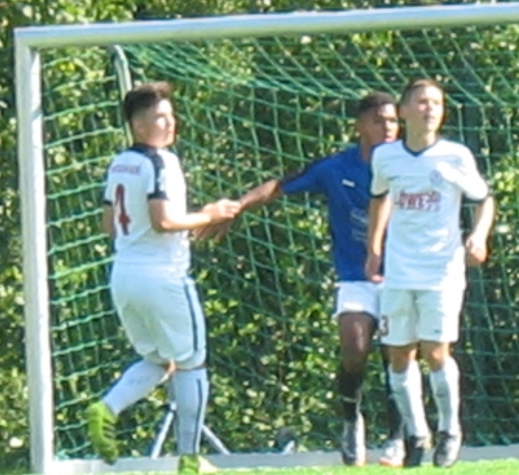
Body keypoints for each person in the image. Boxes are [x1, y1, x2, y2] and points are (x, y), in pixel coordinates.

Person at [238, 92, 406, 468]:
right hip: (356, 278)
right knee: (354, 345)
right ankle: (351, 419)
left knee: (397, 355)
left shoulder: (407, 165)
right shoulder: (336, 168)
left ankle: (397, 437)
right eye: (379, 120)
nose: (388, 128)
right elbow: (281, 185)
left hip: (402, 276)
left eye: (393, 121)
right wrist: (236, 207)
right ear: (359, 126)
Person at [85, 81, 242, 475]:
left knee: (156, 360)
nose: (170, 123)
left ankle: (107, 407)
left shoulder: (120, 163)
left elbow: (108, 224)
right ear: (138, 125)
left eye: (171, 115)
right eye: (160, 117)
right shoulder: (161, 162)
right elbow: (164, 221)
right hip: (163, 276)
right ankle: (190, 459)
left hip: (123, 276)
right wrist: (209, 215)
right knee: (192, 363)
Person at [365, 78, 496, 469]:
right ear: (404, 111)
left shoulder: (455, 156)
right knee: (398, 354)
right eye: (421, 102)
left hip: (441, 270)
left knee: (435, 351)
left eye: (436, 102)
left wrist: (478, 236)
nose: (430, 109)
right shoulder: (386, 157)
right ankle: (417, 434)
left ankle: (450, 430)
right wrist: (374, 248)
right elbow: (379, 199)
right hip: (399, 270)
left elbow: (484, 200)